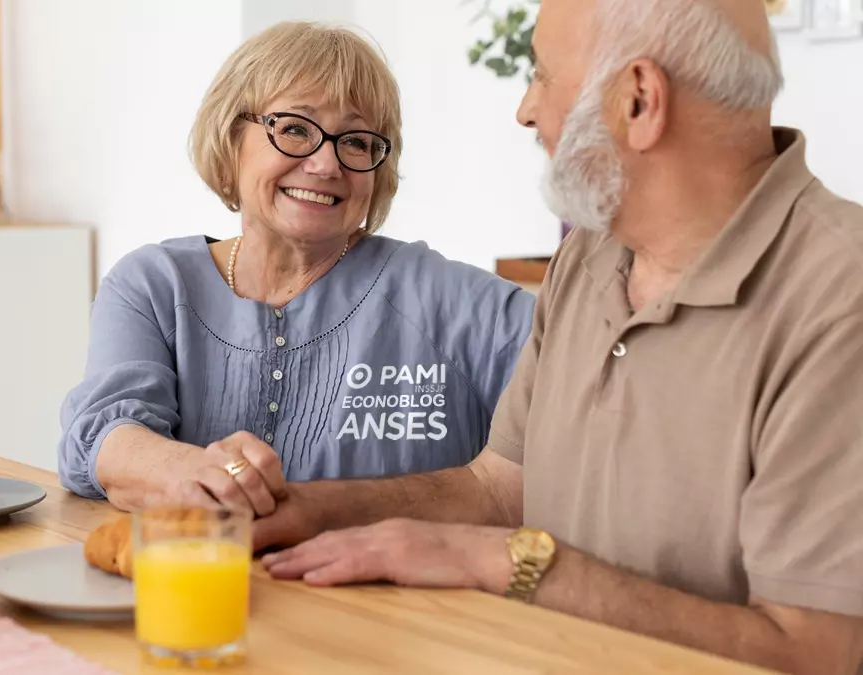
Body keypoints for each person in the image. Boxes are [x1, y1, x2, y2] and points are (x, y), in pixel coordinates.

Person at [252, 1, 863, 673]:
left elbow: (817, 651)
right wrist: (305, 509)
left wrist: (504, 561)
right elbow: (498, 489)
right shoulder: (589, 257)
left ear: (638, 99)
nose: (525, 109)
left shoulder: (841, 298)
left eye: (541, 75)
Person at [56, 21, 535, 516]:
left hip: (401, 595)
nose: (326, 164)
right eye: (294, 129)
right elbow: (104, 438)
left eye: (355, 141)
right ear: (230, 140)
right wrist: (202, 475)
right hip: (200, 589)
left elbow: (592, 391)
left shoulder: (450, 299)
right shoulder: (154, 286)